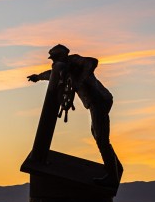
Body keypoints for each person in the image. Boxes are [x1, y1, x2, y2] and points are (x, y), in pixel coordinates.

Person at [27, 44, 123, 187]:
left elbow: (92, 62)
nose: (53, 62)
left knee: (101, 138)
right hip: (95, 103)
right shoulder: (65, 69)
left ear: (62, 56)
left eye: (54, 59)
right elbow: (52, 74)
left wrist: (80, 80)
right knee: (98, 136)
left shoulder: (74, 61)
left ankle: (112, 175)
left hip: (99, 101)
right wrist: (38, 77)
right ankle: (115, 168)